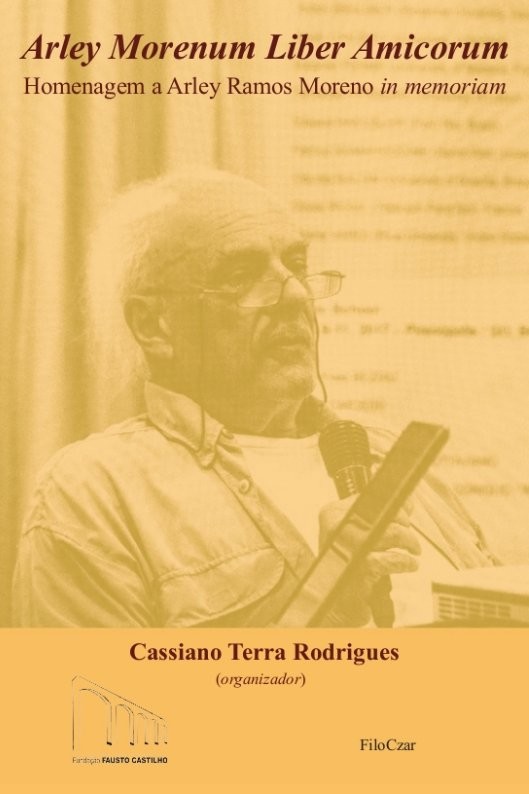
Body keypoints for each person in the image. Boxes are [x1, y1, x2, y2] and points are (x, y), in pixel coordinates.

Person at [12, 170, 497, 627]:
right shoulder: (94, 494)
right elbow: (91, 691)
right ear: (153, 325)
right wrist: (326, 612)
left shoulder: (388, 454)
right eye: (241, 275)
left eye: (297, 266)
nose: (295, 296)